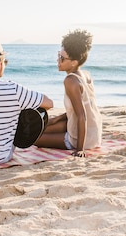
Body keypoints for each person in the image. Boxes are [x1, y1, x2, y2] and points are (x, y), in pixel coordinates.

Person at [34, 29, 102, 157]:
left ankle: (75, 142)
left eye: (62, 58)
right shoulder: (85, 75)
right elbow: (82, 108)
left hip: (83, 138)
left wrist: (80, 149)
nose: (58, 60)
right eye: (59, 54)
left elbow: (82, 115)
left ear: (74, 62)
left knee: (33, 139)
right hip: (94, 132)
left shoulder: (70, 80)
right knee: (41, 128)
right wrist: (56, 119)